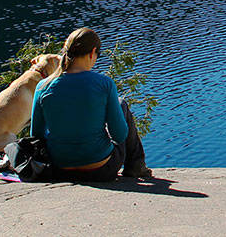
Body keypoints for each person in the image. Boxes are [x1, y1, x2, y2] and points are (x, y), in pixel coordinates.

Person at [30, 27, 150, 181]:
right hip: (101, 169)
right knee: (121, 104)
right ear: (93, 52)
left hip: (60, 169)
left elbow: (36, 135)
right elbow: (119, 135)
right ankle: (136, 167)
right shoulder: (104, 84)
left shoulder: (43, 86)